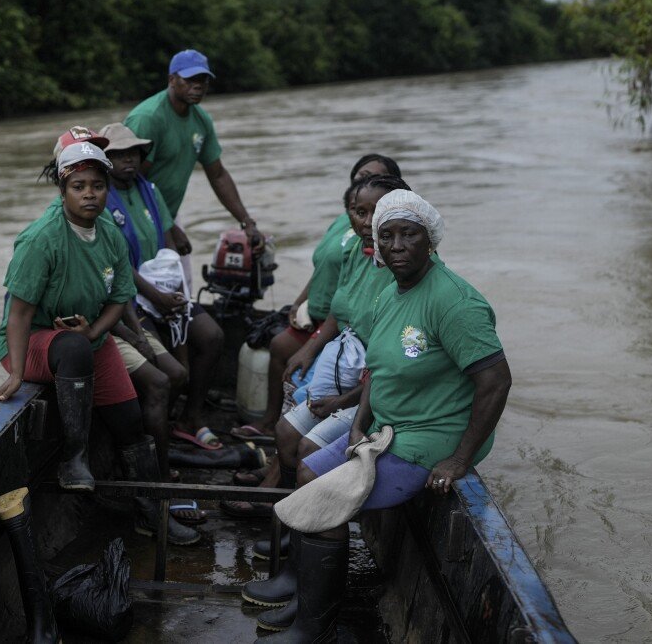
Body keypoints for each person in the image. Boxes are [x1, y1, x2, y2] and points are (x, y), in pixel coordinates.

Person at [243, 190, 512, 639]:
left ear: (432, 241)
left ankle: (315, 629)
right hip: (388, 427)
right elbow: (375, 371)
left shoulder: (454, 302)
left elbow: (496, 382)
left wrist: (459, 461)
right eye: (387, 236)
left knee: (326, 503)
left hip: (431, 437)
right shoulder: (392, 292)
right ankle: (300, 592)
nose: (397, 245)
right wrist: (357, 423)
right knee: (308, 470)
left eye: (410, 234)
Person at [0, 127, 199, 545]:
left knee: (131, 424)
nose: (90, 194)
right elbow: (18, 313)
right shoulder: (41, 239)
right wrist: (15, 373)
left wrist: (96, 333)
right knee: (70, 346)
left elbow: (120, 298)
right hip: (34, 340)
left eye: (98, 186)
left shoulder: (108, 234)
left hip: (86, 340)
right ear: (62, 189)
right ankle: (74, 457)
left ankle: (149, 513)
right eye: (78, 186)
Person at [232, 154, 402, 444]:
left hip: (348, 338)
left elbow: (386, 352)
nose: (367, 219)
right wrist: (300, 301)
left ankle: (279, 440)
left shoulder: (388, 255)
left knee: (305, 395)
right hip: (328, 320)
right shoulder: (349, 231)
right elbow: (324, 269)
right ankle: (273, 425)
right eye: (361, 176)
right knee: (282, 354)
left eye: (374, 179)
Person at [98, 122, 229, 456]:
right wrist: (156, 297)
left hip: (161, 286)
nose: (128, 160)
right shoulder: (100, 200)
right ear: (105, 160)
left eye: (133, 153)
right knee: (170, 373)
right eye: (118, 155)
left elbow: (168, 241)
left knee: (212, 335)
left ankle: (190, 416)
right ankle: (150, 436)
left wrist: (174, 292)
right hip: (132, 296)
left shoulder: (149, 189)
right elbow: (117, 264)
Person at [123, 49, 264, 256]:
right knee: (157, 284)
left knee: (182, 284)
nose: (198, 86)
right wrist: (169, 227)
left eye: (203, 80)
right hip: (136, 216)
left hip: (167, 214)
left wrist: (247, 222)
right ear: (172, 80)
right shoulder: (148, 119)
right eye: (190, 79)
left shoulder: (201, 120)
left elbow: (218, 175)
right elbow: (131, 181)